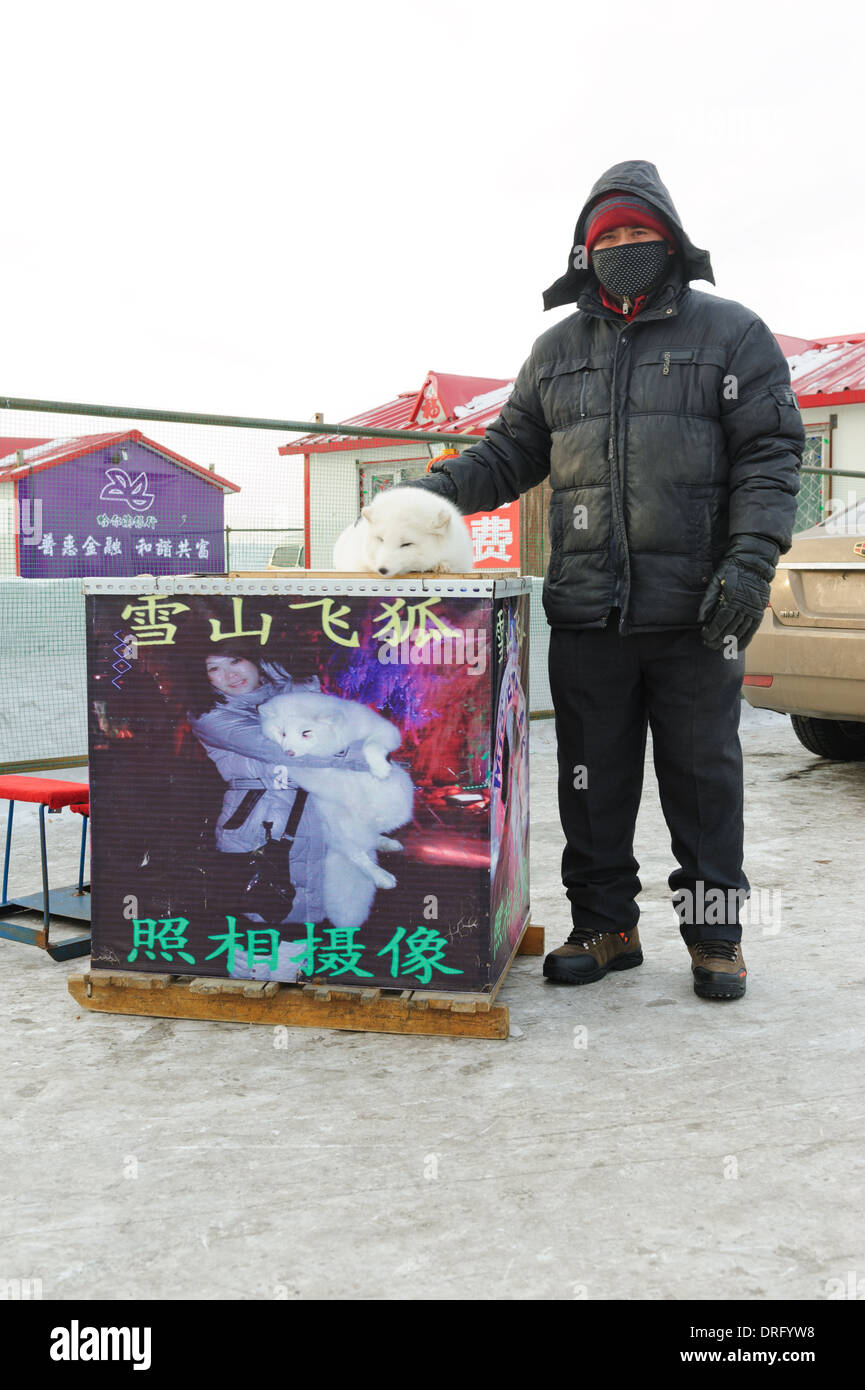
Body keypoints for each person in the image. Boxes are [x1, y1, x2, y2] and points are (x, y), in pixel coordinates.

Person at [400, 159, 804, 1000]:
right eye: (606, 237)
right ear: (583, 253)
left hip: (700, 608)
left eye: (637, 233)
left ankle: (715, 936)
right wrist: (426, 498)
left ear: (670, 241)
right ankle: (605, 926)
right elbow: (510, 453)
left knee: (702, 780)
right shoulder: (555, 351)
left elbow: (768, 456)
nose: (623, 246)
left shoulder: (730, 335)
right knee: (591, 779)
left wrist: (748, 564)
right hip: (589, 610)